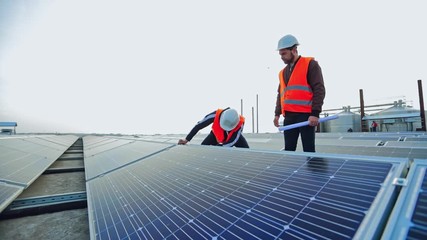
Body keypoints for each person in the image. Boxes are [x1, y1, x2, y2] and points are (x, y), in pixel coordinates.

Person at [273, 34, 326, 152]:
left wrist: (315, 113)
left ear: (294, 50)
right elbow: (280, 94)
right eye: (280, 54)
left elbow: (319, 89)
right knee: (289, 149)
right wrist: (277, 114)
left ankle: (312, 170)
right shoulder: (282, 73)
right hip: (289, 117)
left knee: (308, 149)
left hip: (306, 116)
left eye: (284, 54)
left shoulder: (310, 65)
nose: (281, 57)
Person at [178, 108, 249, 148]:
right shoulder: (215, 115)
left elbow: (233, 140)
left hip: (231, 138)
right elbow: (199, 125)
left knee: (247, 152)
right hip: (216, 135)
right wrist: (187, 139)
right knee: (203, 149)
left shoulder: (240, 123)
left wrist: (220, 146)